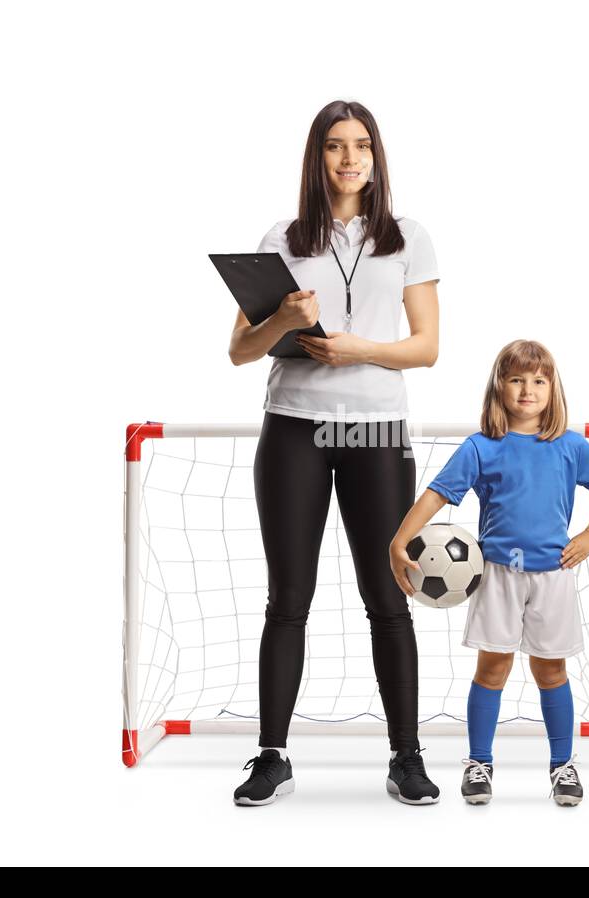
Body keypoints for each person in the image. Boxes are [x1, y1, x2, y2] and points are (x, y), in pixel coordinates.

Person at [227, 100, 442, 806]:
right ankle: (271, 755)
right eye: (334, 147)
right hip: (294, 425)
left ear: (376, 157)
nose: (349, 159)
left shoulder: (407, 238)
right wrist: (284, 318)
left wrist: (360, 350)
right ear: (316, 158)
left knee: (389, 597)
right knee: (288, 600)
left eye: (360, 146)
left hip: (374, 429)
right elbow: (239, 350)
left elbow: (427, 347)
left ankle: (406, 756)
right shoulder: (281, 237)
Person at [389, 340, 589, 805]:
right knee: (492, 668)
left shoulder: (570, 446)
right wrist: (400, 538)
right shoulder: (482, 447)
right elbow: (437, 494)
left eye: (538, 380)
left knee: (551, 671)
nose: (527, 389)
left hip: (553, 575)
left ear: (552, 388)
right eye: (516, 379)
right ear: (499, 387)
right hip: (496, 575)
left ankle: (563, 766)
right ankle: (479, 763)